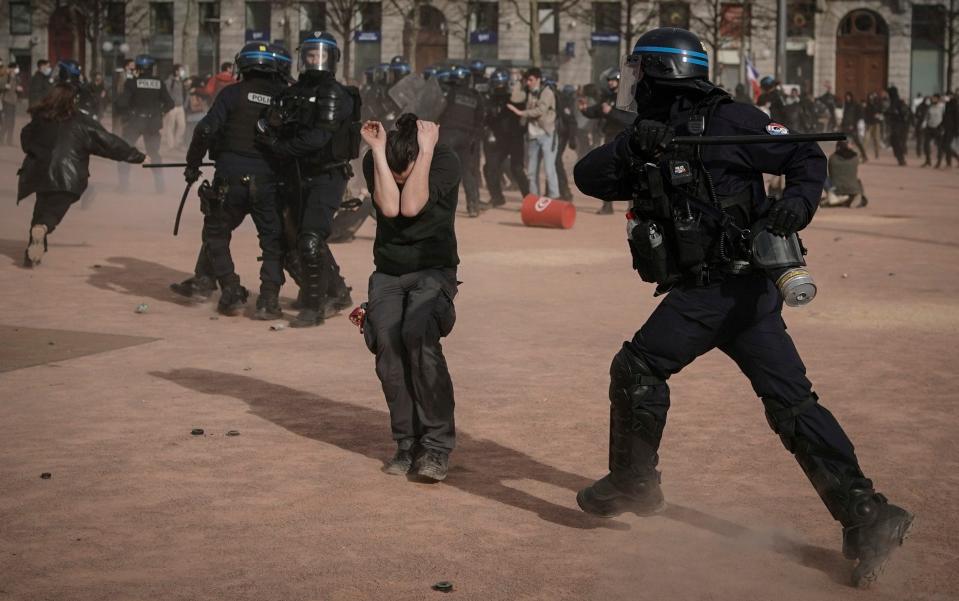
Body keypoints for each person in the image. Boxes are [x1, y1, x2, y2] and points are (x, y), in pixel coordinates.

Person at [573, 27, 912, 589]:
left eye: (639, 73)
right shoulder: (650, 135)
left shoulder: (731, 121)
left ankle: (633, 482)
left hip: (724, 288)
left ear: (661, 74)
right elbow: (590, 178)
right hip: (732, 294)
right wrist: (633, 145)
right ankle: (868, 515)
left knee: (638, 368)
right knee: (792, 403)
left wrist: (796, 205)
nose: (632, 84)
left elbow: (804, 152)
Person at [359, 114, 460, 482]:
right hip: (388, 273)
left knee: (418, 338)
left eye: (406, 172)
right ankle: (406, 442)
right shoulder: (376, 158)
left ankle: (435, 446)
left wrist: (427, 151)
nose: (400, 183)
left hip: (433, 270)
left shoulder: (445, 159)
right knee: (387, 343)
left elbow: (412, 205)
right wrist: (378, 153)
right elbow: (390, 207)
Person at [178, 43, 291, 318]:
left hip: (229, 178)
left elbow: (205, 129)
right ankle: (268, 301)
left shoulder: (231, 93)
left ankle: (230, 290)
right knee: (272, 242)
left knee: (216, 234)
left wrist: (192, 165)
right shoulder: (285, 97)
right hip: (268, 181)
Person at [257, 32, 360, 327]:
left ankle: (315, 306)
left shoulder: (334, 93)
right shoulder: (293, 90)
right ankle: (338, 292)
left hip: (327, 174)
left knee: (311, 239)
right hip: (296, 174)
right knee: (299, 238)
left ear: (332, 58)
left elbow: (319, 137)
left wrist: (278, 146)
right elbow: (274, 120)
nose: (315, 59)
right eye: (310, 54)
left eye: (321, 55)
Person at [16, 83, 145, 267]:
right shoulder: (82, 121)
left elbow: (25, 138)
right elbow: (108, 142)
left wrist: (36, 152)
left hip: (40, 174)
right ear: (73, 100)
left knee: (41, 209)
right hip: (68, 177)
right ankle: (42, 230)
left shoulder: (41, 118)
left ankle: (33, 254)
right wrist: (138, 156)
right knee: (51, 214)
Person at [115, 55, 174, 193]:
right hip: (153, 123)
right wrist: (159, 112)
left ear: (139, 68)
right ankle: (160, 187)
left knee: (125, 151)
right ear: (152, 68)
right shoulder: (159, 82)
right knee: (154, 153)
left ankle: (123, 186)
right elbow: (170, 103)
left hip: (135, 122)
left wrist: (127, 113)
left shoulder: (132, 83)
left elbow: (121, 103)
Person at [579, 68, 633, 213]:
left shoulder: (628, 98)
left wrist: (611, 112)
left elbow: (630, 120)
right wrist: (585, 110)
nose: (610, 83)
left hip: (624, 138)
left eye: (613, 80)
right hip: (610, 138)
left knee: (629, 171)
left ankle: (632, 206)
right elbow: (597, 111)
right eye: (609, 80)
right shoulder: (608, 97)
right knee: (608, 171)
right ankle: (607, 206)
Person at [437, 66, 484, 217]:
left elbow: (437, 111)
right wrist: (473, 138)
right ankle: (473, 205)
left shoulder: (448, 92)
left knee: (440, 168)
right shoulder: (475, 96)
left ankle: (437, 205)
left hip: (448, 134)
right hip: (466, 138)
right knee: (466, 171)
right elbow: (480, 120)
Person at [508, 68, 558, 200]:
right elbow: (514, 97)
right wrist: (520, 81)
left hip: (547, 135)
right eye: (527, 80)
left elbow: (540, 110)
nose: (528, 83)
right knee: (531, 172)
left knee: (549, 170)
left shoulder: (547, 92)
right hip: (532, 136)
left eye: (531, 80)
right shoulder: (528, 92)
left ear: (538, 80)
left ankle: (554, 197)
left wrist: (521, 113)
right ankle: (534, 200)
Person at [482, 68, 529, 207]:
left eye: (501, 85)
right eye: (497, 85)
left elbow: (524, 114)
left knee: (517, 168)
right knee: (489, 168)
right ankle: (497, 198)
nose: (499, 88)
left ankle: (529, 199)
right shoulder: (490, 101)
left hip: (515, 139)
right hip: (499, 141)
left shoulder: (515, 98)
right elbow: (488, 119)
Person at [823, 140, 866, 208]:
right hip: (853, 189)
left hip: (836, 189)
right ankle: (857, 195)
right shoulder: (855, 158)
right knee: (857, 181)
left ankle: (833, 196)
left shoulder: (832, 158)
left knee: (823, 176)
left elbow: (831, 173)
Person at [162, 64, 187, 149]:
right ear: (176, 71)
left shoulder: (182, 81)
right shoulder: (169, 81)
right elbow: (165, 94)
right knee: (170, 126)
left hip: (180, 106)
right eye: (181, 70)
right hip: (172, 107)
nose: (182, 72)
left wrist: (185, 104)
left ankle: (177, 142)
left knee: (182, 125)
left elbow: (184, 93)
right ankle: (171, 145)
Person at [884, 86, 909, 166]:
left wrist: (896, 114)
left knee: (897, 142)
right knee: (894, 141)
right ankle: (899, 158)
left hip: (899, 125)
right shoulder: (892, 102)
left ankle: (901, 159)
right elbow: (889, 112)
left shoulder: (899, 102)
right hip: (894, 125)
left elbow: (904, 113)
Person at [840, 91, 868, 161]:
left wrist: (854, 124)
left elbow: (859, 115)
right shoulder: (846, 105)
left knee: (857, 142)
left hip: (852, 126)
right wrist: (842, 124)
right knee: (842, 141)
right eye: (846, 97)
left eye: (848, 97)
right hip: (845, 126)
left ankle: (864, 156)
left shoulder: (855, 105)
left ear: (851, 97)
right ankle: (843, 156)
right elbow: (845, 116)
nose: (847, 98)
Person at [1, 61, 22, 145]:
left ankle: (9, 140)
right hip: (6, 100)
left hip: (13, 101)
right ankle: (1, 138)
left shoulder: (16, 78)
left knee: (12, 121)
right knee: (7, 121)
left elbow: (18, 86)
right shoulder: (5, 76)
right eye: (15, 68)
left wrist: (19, 89)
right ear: (10, 69)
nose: (17, 70)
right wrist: (4, 86)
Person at [921, 93, 944, 168]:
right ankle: (928, 161)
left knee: (939, 146)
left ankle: (939, 162)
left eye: (935, 98)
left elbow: (945, 117)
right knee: (925, 144)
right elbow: (927, 116)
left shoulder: (942, 107)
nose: (933, 99)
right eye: (933, 98)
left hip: (938, 128)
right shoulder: (930, 107)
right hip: (929, 127)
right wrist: (924, 123)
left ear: (938, 99)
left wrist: (943, 127)